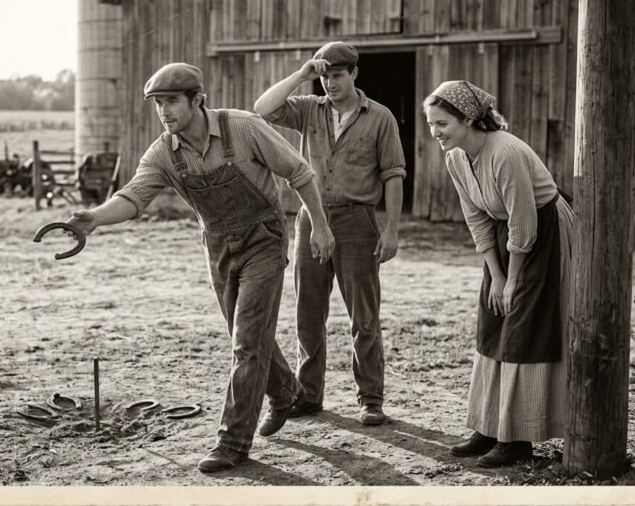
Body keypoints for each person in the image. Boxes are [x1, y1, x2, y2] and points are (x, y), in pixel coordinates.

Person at [65, 63, 335, 473]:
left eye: (172, 101)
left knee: (246, 342)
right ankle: (284, 392)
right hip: (219, 246)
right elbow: (135, 194)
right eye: (158, 104)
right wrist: (97, 217)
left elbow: (299, 172)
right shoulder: (163, 152)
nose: (164, 112)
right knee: (247, 334)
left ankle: (233, 442)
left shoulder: (244, 128)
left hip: (264, 239)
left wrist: (318, 225)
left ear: (197, 100)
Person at [254, 42, 406, 426]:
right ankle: (308, 395)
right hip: (311, 218)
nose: (330, 83)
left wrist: (391, 229)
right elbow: (264, 109)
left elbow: (393, 173)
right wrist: (302, 75)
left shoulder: (381, 117)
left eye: (337, 75)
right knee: (309, 312)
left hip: (358, 221)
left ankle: (370, 399)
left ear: (354, 74)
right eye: (324, 76)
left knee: (364, 316)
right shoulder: (309, 108)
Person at [422, 80, 573, 467]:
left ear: (469, 119)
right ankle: (489, 427)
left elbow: (525, 223)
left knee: (525, 324)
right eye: (431, 124)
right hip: (507, 237)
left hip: (543, 232)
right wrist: (497, 276)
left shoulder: (504, 151)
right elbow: (476, 219)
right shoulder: (456, 157)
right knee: (492, 321)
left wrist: (516, 280)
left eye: (442, 124)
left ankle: (518, 438)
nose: (435, 133)